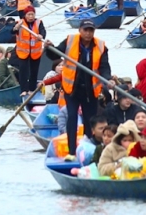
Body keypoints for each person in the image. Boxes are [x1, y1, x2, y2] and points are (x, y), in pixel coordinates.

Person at [41, 20, 109, 156]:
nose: (88, 33)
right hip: (72, 89)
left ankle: (89, 151)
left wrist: (108, 80)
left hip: (90, 90)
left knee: (90, 121)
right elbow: (55, 55)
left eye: (91, 30)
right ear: (80, 30)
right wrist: (48, 47)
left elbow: (104, 67)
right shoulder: (70, 41)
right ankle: (72, 152)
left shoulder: (101, 46)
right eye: (86, 30)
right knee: (71, 117)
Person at [12, 9, 46, 93]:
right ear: (25, 15)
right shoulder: (20, 22)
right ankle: (24, 90)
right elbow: (13, 31)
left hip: (35, 51)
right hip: (23, 52)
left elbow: (43, 31)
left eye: (32, 14)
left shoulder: (39, 22)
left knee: (34, 72)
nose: (31, 17)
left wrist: (41, 35)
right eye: (29, 14)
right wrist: (17, 27)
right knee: (23, 71)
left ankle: (31, 89)